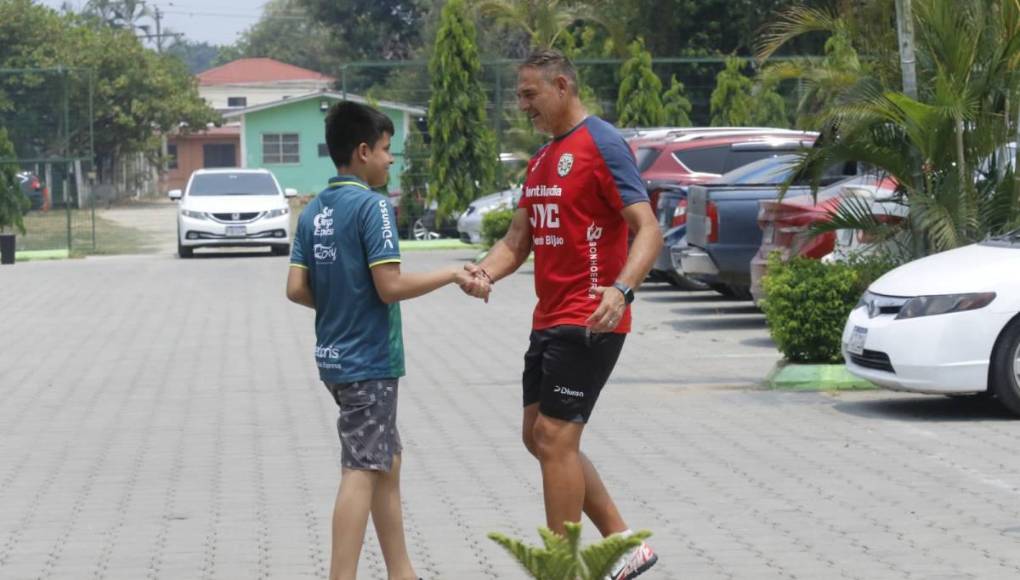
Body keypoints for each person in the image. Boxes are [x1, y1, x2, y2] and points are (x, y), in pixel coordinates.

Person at [461, 49, 663, 580]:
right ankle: (623, 544)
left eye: (530, 94)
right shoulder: (542, 160)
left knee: (554, 438)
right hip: (548, 318)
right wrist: (483, 273)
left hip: (590, 317)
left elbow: (648, 228)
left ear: (562, 86)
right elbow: (517, 240)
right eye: (519, 96)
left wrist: (622, 289)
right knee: (537, 435)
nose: (522, 105)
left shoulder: (602, 143)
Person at [287, 100, 476, 580]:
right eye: (387, 149)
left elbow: (296, 288)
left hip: (334, 359)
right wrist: (452, 273)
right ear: (363, 151)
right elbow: (389, 286)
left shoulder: (314, 210)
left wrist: (341, 303)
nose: (391, 159)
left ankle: (401, 571)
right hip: (369, 362)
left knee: (385, 460)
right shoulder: (372, 206)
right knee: (361, 469)